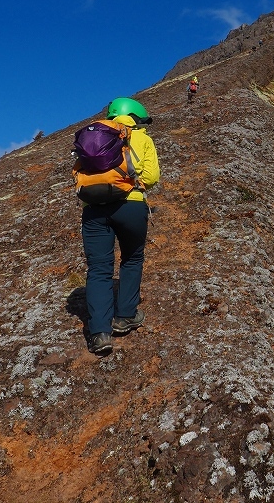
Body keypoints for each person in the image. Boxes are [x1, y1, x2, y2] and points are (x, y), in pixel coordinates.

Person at [79, 97, 161, 356]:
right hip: (131, 205)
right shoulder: (141, 138)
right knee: (132, 258)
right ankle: (124, 316)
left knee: (99, 269)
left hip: (93, 209)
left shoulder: (93, 136)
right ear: (135, 115)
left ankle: (100, 333)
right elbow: (151, 177)